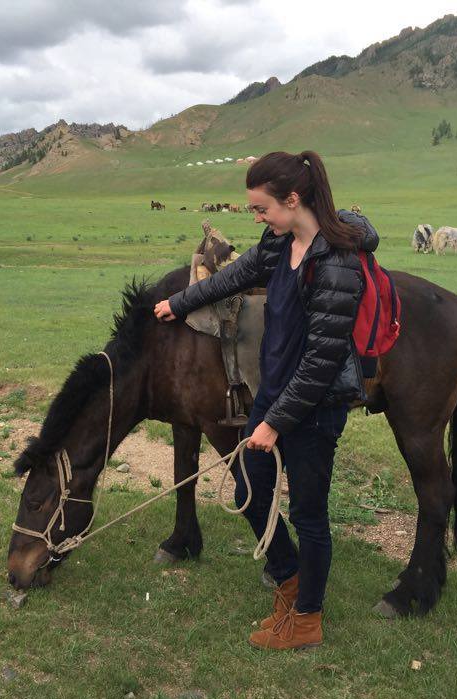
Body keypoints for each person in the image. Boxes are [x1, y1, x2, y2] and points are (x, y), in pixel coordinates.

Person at [153, 150, 379, 650]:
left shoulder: (337, 264)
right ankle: (290, 582)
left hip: (315, 409)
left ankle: (307, 619)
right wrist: (178, 302)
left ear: (292, 200)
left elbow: (321, 362)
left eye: (261, 209)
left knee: (309, 516)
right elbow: (234, 275)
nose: (256, 218)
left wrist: (274, 424)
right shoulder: (279, 243)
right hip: (274, 394)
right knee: (248, 493)